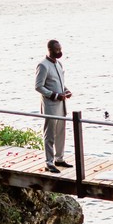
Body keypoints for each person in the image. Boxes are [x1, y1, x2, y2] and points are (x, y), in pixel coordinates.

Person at [34, 39, 73, 173]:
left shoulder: (59, 64)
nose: (60, 52)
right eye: (57, 50)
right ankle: (49, 162)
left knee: (61, 133)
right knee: (49, 135)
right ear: (50, 50)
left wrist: (66, 90)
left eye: (60, 49)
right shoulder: (43, 65)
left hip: (61, 106)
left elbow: (60, 83)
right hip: (50, 106)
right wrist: (55, 95)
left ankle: (59, 159)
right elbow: (38, 86)